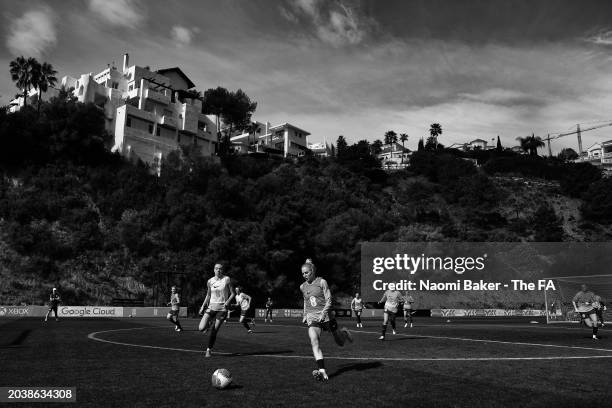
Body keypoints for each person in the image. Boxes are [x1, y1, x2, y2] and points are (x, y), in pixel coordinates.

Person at [300, 259, 352, 382]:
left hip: (327, 316)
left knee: (340, 342)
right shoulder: (302, 286)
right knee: (314, 340)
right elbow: (305, 301)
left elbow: (329, 299)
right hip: (312, 317)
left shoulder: (322, 282)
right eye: (303, 273)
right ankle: (322, 370)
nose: (305, 275)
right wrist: (305, 314)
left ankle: (344, 333)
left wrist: (324, 313)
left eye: (307, 272)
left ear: (312, 271)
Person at [198, 263, 235, 357]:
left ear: (223, 270)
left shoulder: (227, 279)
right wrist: (202, 306)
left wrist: (228, 302)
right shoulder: (210, 281)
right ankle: (209, 324)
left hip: (222, 308)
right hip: (211, 307)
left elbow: (233, 293)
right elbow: (208, 295)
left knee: (214, 330)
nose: (218, 270)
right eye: (217, 268)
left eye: (220, 269)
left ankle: (208, 350)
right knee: (201, 328)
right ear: (214, 270)